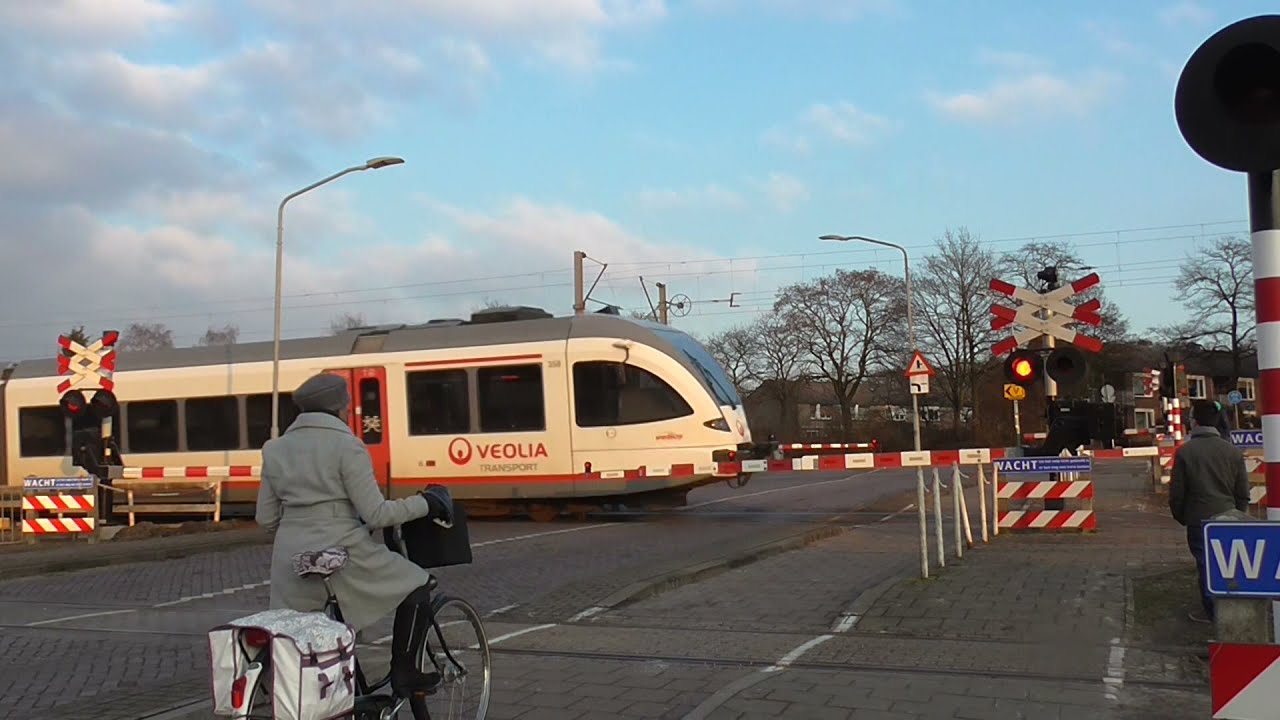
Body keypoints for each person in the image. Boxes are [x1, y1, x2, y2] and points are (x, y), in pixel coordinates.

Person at [255, 372, 453, 697]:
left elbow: (266, 519)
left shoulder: (275, 449)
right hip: (342, 549)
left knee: (304, 629)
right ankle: (405, 672)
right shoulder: (347, 446)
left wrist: (300, 529)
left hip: (290, 557)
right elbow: (377, 512)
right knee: (417, 583)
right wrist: (427, 503)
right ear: (340, 408)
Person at [1168, 399, 1251, 624]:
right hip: (1228, 516)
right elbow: (1243, 491)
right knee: (1231, 565)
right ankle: (1234, 611)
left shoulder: (1185, 453)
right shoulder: (1233, 452)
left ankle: (1213, 614)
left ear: (1193, 422)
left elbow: (1177, 493)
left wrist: (1184, 517)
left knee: (1205, 566)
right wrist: (1236, 513)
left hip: (1198, 519)